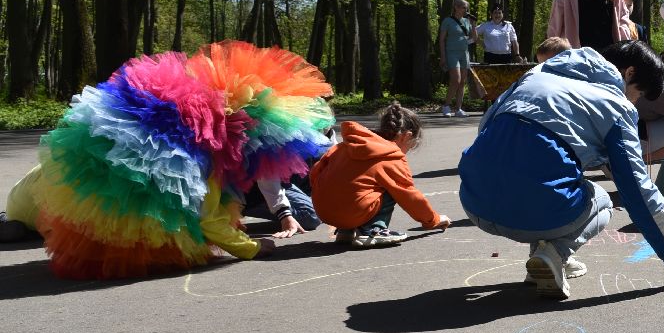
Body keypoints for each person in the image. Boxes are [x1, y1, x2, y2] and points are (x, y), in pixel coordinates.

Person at [33, 42, 333, 278]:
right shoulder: (209, 150)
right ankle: (138, 245)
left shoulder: (198, 131)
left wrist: (281, 211)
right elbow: (208, 218)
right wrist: (252, 247)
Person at [458, 42, 664, 299]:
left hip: (475, 203)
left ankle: (544, 260)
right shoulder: (616, 105)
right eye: (636, 95)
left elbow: (486, 128)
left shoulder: (536, 75)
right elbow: (637, 190)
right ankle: (555, 252)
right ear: (629, 73)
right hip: (532, 211)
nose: (634, 104)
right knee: (601, 200)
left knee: (553, 175)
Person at [309, 102, 449, 248]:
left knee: (360, 184)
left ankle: (346, 231)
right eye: (412, 145)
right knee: (393, 187)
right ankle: (374, 230)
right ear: (406, 136)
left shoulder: (349, 144)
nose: (408, 150)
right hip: (350, 212)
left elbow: (317, 171)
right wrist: (433, 220)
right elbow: (410, 197)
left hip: (323, 211)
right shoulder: (391, 156)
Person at [438, 0, 475, 117]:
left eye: (466, 8)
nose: (466, 10)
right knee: (456, 80)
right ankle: (446, 106)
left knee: (462, 81)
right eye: (463, 7)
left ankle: (458, 108)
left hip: (464, 53)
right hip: (451, 53)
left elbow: (473, 38)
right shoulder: (447, 21)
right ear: (456, 7)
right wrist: (443, 56)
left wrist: (473, 25)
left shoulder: (466, 21)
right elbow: (442, 40)